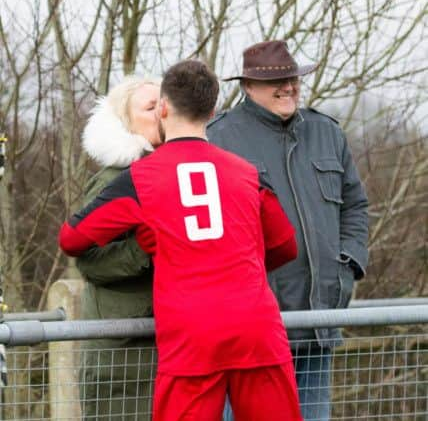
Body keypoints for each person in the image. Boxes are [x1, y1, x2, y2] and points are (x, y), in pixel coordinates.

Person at [59, 59, 303, 421]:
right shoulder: (247, 172)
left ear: (163, 108)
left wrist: (151, 245)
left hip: (192, 335)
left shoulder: (140, 178)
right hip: (256, 327)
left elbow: (72, 238)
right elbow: (286, 245)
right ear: (213, 110)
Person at [207, 40, 369, 421]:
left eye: (292, 78)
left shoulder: (326, 131)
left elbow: (356, 206)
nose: (289, 87)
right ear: (247, 86)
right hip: (252, 333)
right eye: (276, 81)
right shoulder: (218, 139)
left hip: (318, 322)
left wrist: (346, 266)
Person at [76, 76, 161, 420]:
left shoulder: (172, 174)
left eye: (165, 105)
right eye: (150, 107)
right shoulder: (114, 180)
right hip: (122, 356)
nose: (162, 113)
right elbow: (88, 259)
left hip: (163, 344)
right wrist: (142, 250)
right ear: (127, 122)